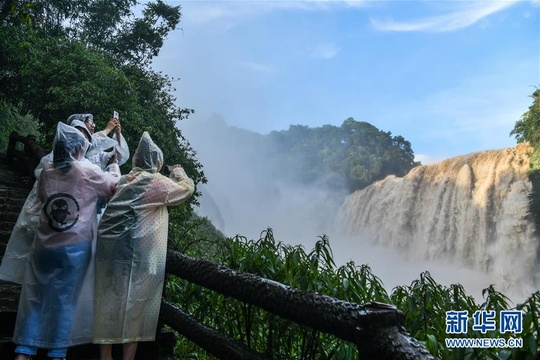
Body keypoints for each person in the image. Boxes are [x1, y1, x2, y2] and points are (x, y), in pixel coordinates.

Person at [12, 122, 121, 360]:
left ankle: (25, 350)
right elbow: (113, 187)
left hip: (44, 242)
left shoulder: (48, 170)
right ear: (79, 147)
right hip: (75, 246)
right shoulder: (87, 170)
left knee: (36, 296)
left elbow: (42, 197)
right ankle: (57, 351)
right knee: (65, 299)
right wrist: (113, 166)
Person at [93, 132, 194, 360]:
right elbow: (185, 190)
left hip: (108, 251)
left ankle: (105, 356)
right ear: (156, 161)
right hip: (136, 255)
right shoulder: (154, 181)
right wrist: (178, 172)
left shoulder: (127, 179)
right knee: (136, 307)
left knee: (108, 303)